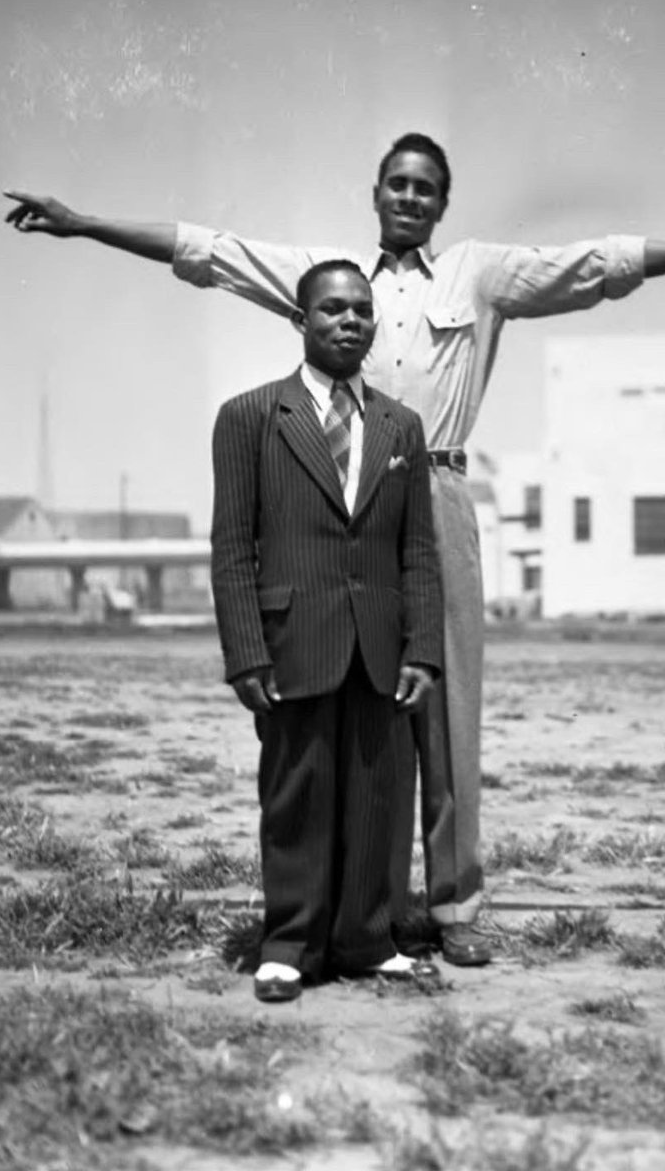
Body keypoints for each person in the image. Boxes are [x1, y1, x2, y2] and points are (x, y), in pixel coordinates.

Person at [5, 133, 665, 967]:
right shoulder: (329, 276)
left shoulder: (481, 275)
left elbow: (600, 263)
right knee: (369, 712)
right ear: (376, 191)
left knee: (447, 712)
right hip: (354, 507)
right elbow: (210, 252)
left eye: (427, 188)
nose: (410, 197)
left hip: (437, 492)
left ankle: (456, 908)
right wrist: (82, 224)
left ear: (442, 203)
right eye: (397, 183)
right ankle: (379, 911)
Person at [209, 258, 442, 1002]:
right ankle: (290, 943)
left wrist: (425, 648)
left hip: (380, 644)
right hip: (292, 641)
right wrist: (246, 651)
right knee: (296, 795)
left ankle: (368, 939)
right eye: (332, 309)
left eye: (362, 311)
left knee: (380, 794)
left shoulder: (401, 425)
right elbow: (231, 547)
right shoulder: (250, 418)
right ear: (299, 321)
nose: (350, 321)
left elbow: (419, 552)